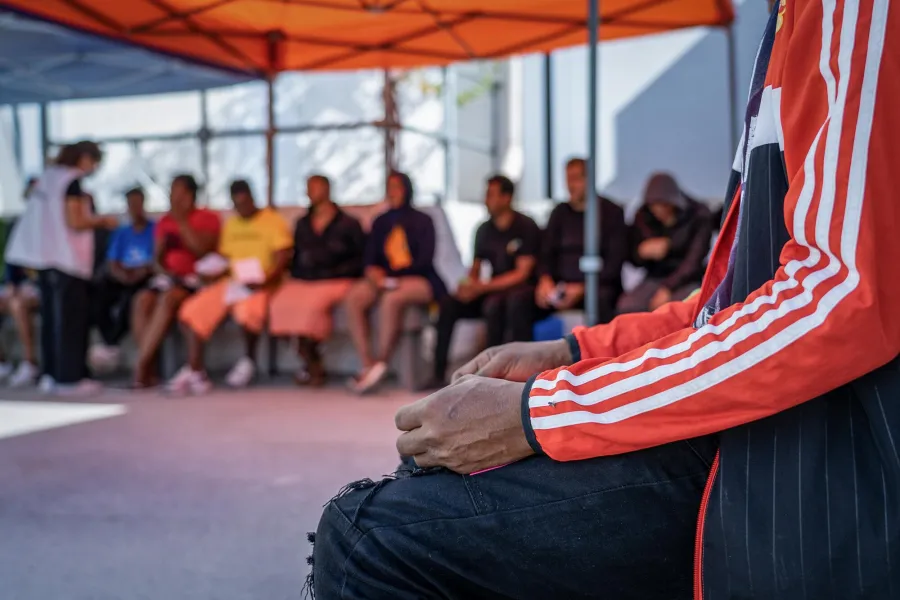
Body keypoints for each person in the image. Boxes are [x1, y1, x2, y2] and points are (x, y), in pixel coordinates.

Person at [310, 1, 900, 599]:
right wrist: (568, 352)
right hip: (741, 411)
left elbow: (839, 293)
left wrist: (541, 412)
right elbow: (722, 305)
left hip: (800, 458)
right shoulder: (785, 29)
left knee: (371, 534)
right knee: (428, 473)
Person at [4, 142, 119, 394]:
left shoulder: (46, 178)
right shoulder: (71, 182)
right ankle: (69, 378)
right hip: (67, 260)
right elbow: (76, 221)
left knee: (51, 320)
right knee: (70, 320)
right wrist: (104, 220)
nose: (94, 169)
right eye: (95, 162)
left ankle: (51, 375)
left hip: (44, 259)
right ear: (85, 158)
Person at [171, 180, 292, 393]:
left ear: (253, 199)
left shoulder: (273, 221)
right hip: (232, 282)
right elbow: (225, 258)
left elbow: (283, 257)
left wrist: (266, 280)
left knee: (247, 313)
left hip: (261, 284)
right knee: (192, 311)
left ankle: (248, 361)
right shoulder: (232, 224)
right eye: (237, 204)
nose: (241, 208)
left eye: (245, 203)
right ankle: (196, 370)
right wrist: (212, 272)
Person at [427, 175, 540, 388]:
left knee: (495, 305)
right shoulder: (483, 230)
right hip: (491, 290)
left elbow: (522, 274)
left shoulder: (525, 226)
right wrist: (468, 287)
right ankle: (438, 372)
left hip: (519, 292)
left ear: (507, 197)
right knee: (449, 304)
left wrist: (482, 287)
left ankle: (494, 377)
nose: (485, 199)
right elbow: (476, 270)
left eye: (491, 194)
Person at [344, 171, 446, 394]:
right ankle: (368, 364)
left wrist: (395, 277)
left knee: (392, 299)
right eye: (389, 187)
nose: (393, 192)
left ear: (408, 190)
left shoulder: (423, 221)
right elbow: (369, 258)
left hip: (417, 278)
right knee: (355, 297)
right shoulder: (380, 221)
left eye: (397, 187)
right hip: (384, 278)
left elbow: (425, 260)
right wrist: (374, 274)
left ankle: (382, 362)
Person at [507, 157, 627, 336]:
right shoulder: (559, 213)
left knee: (602, 300)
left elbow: (614, 262)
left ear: (590, 180)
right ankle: (525, 360)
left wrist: (583, 287)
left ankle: (604, 360)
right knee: (519, 301)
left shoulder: (611, 213)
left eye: (576, 178)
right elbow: (546, 253)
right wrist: (545, 280)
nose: (571, 185)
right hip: (560, 287)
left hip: (596, 285)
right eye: (568, 179)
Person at [268, 175, 366, 387]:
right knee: (279, 304)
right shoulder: (302, 224)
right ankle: (309, 358)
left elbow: (360, 258)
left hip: (337, 279)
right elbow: (295, 258)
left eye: (315, 187)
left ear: (328, 189)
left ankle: (313, 364)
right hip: (305, 280)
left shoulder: (349, 223)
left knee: (311, 307)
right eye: (308, 188)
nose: (310, 192)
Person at [130, 175, 219, 389]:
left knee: (169, 299)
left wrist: (182, 222)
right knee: (142, 300)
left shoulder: (207, 218)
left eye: (178, 193)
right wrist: (165, 272)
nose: (173, 198)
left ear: (190, 195)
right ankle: (148, 367)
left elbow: (202, 250)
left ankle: (140, 366)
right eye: (171, 193)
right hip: (168, 279)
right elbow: (157, 259)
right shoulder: (164, 222)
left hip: (194, 281)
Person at [617, 172, 713, 313]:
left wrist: (668, 287)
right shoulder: (643, 217)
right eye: (654, 206)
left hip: (688, 279)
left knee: (679, 310)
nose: (658, 210)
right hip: (654, 277)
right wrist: (641, 252)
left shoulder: (699, 215)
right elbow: (632, 258)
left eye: (664, 205)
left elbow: (694, 261)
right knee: (627, 306)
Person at [89, 187, 156, 372]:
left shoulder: (154, 230)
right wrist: (122, 275)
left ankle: (112, 342)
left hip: (145, 276)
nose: (134, 208)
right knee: (99, 293)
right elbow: (113, 262)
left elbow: (157, 260)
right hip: (123, 276)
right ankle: (109, 342)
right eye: (131, 204)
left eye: (137, 203)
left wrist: (141, 272)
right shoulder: (121, 232)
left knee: (133, 298)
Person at [0, 178, 41, 388]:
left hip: (42, 289)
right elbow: (12, 265)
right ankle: (3, 363)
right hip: (20, 287)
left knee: (18, 305)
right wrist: (12, 286)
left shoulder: (52, 226)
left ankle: (29, 362)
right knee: (8, 299)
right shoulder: (18, 224)